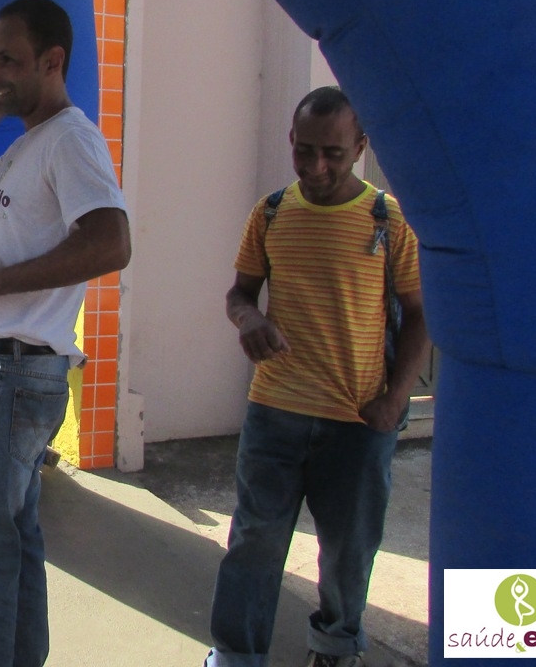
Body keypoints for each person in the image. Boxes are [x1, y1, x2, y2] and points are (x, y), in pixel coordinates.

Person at [0, 0, 132, 667]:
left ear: (53, 61)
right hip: (3, 374)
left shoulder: (71, 139)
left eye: (9, 60)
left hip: (10, 374)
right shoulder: (27, 146)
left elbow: (111, 242)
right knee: (9, 545)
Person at [205, 86, 431, 667]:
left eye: (333, 153)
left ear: (360, 146)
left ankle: (334, 647)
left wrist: (395, 400)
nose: (317, 166)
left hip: (357, 421)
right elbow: (239, 293)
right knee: (254, 540)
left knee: (348, 551)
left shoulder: (388, 220)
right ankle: (236, 653)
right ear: (292, 141)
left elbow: (420, 315)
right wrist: (249, 318)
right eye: (304, 151)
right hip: (274, 413)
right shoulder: (272, 212)